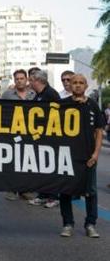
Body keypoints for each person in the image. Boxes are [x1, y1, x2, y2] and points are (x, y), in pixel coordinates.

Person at [59, 74, 104, 238]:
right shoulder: (62, 105)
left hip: (88, 157)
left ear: (86, 86)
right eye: (74, 83)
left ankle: (90, 224)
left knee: (91, 191)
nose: (77, 85)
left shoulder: (93, 105)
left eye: (81, 83)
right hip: (67, 157)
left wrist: (96, 153)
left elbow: (99, 131)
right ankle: (67, 224)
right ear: (69, 85)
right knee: (65, 190)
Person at [27, 70, 61, 208]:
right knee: (42, 168)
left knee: (51, 168)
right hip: (41, 138)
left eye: (31, 80)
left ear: (38, 81)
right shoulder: (39, 95)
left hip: (51, 138)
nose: (29, 83)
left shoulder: (51, 94)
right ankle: (43, 195)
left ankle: (53, 196)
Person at [1, 69, 36, 201]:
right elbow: (0, 111)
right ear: (14, 80)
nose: (19, 81)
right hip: (13, 132)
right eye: (17, 79)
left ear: (26, 79)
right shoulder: (7, 94)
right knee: (13, 161)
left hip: (30, 133)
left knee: (28, 161)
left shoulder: (34, 94)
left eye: (22, 78)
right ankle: (11, 189)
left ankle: (25, 190)